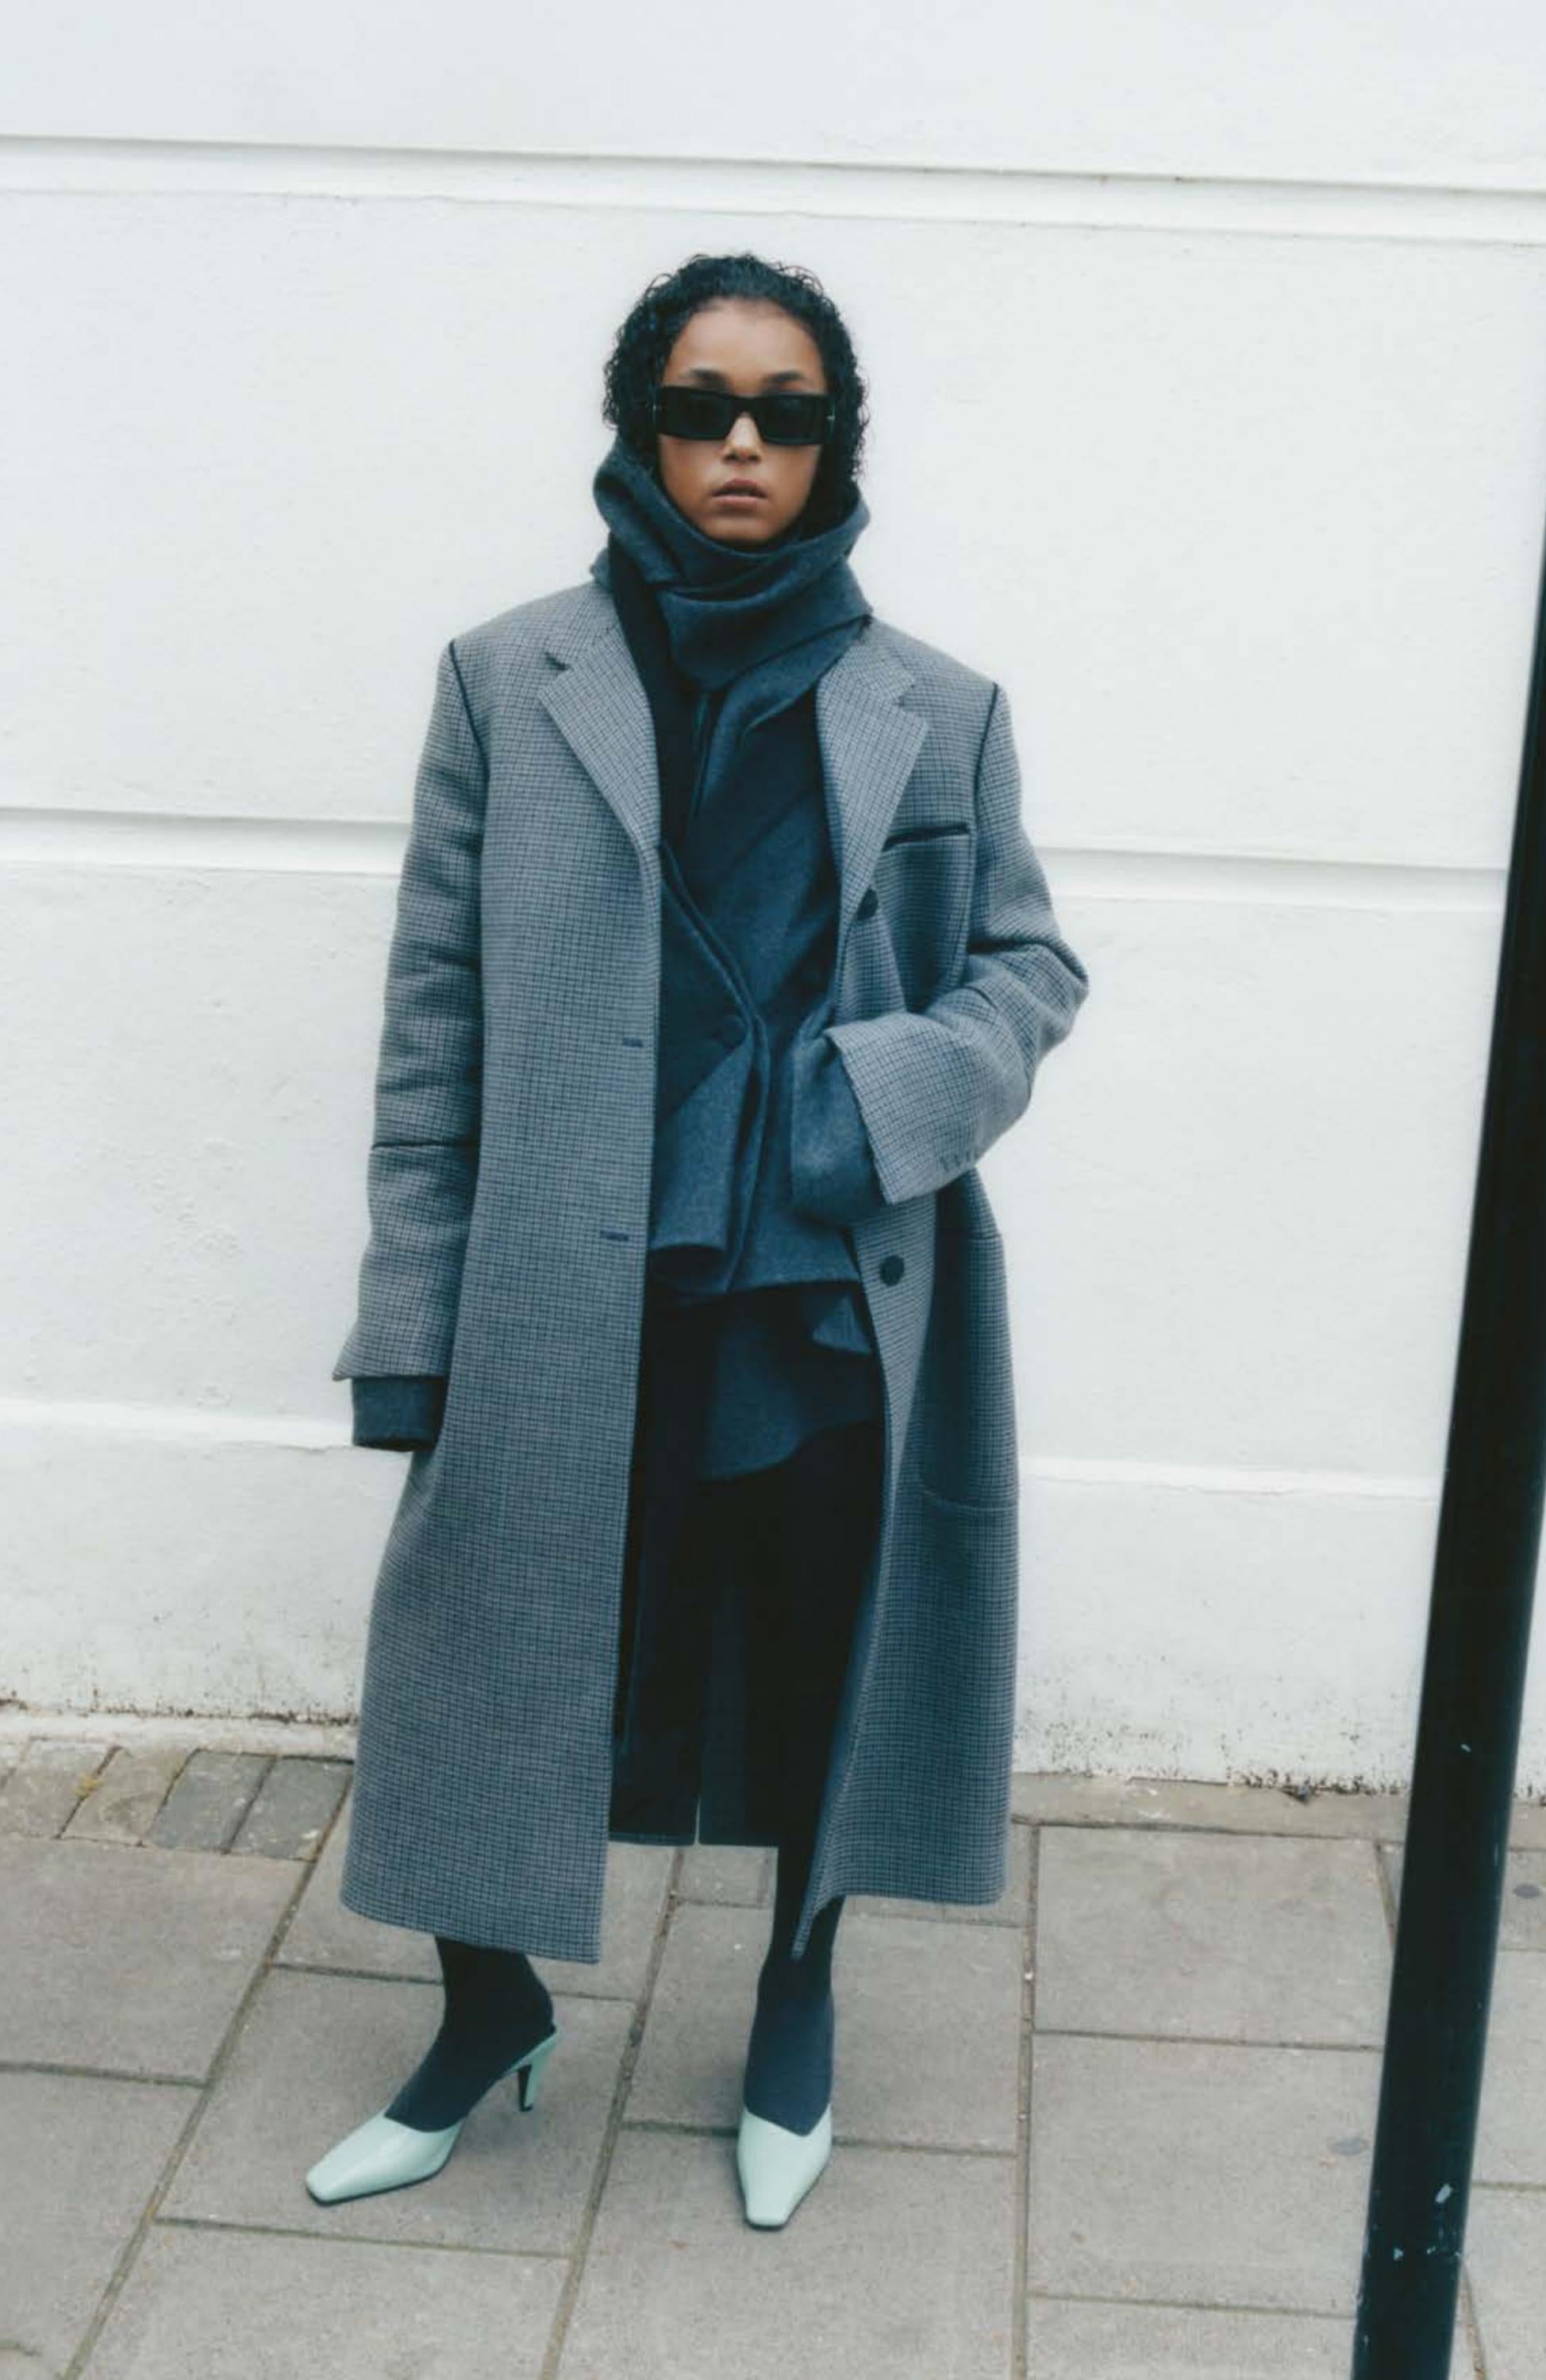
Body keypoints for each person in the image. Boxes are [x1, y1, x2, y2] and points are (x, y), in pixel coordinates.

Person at [306, 252, 1090, 2226]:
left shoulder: (940, 709)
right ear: (639, 426)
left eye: (785, 412)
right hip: (563, 1285)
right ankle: (486, 2007)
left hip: (823, 1289)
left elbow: (1027, 966)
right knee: (489, 1649)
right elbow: (434, 1022)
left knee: (822, 1654)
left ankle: (794, 1995)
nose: (742, 443)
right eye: (700, 405)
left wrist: (885, 1089)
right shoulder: (507, 680)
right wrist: (408, 1321)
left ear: (834, 442)